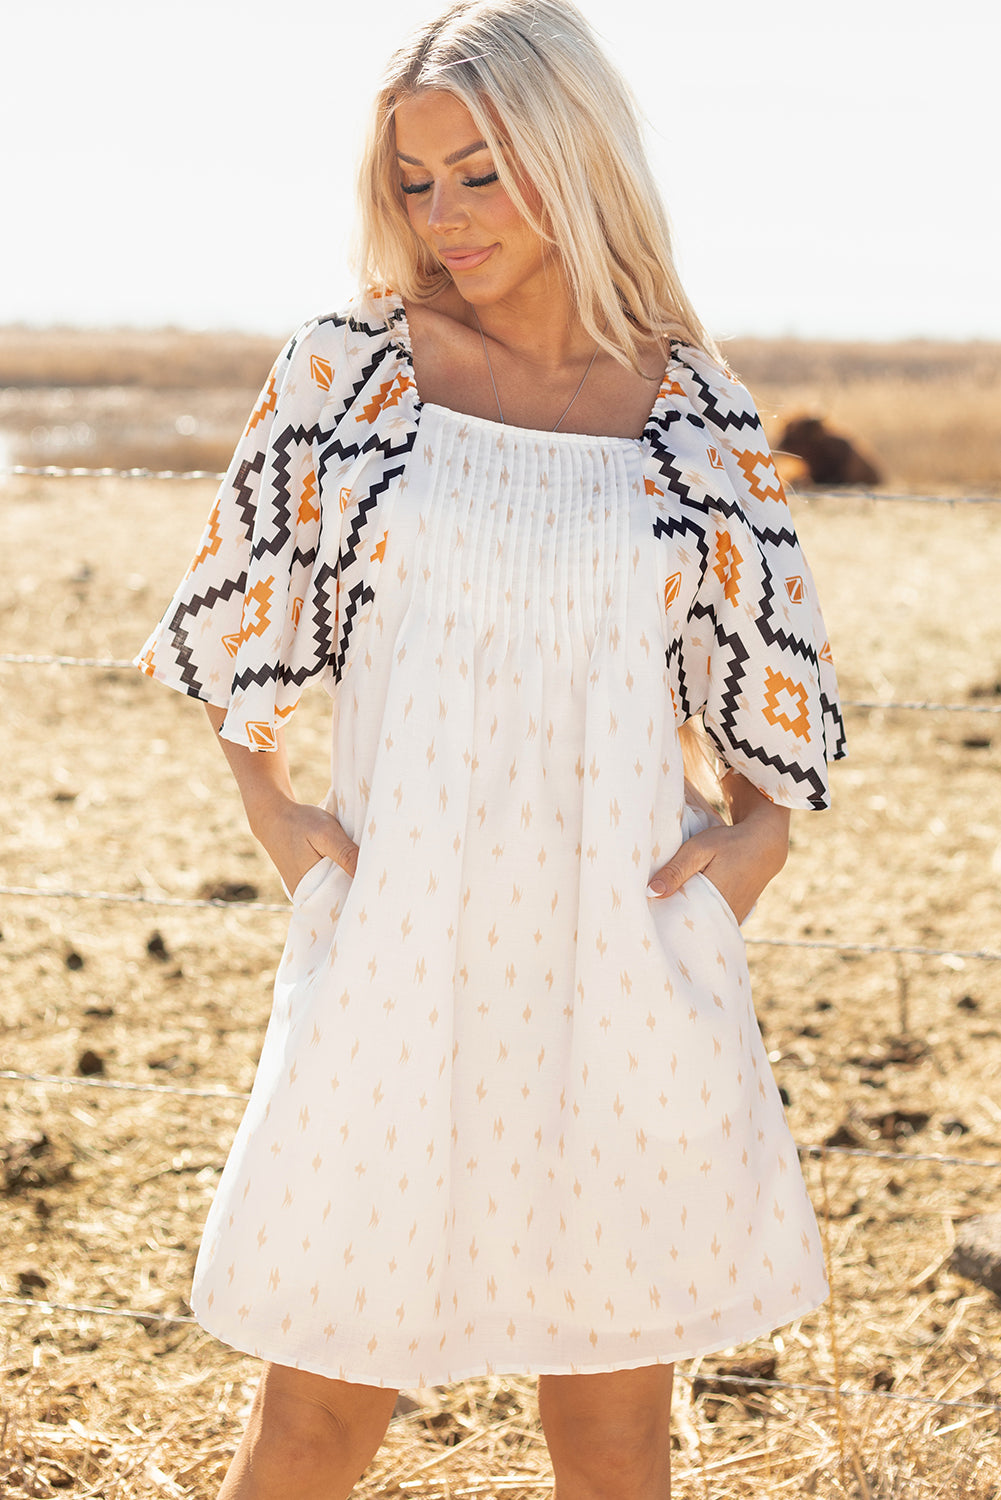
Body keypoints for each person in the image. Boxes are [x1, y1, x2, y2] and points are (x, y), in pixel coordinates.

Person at [137, 1, 846, 1494]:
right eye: (415, 181)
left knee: (612, 1424)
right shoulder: (354, 371)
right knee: (316, 1409)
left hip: (621, 960)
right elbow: (238, 612)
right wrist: (273, 808)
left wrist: (751, 848)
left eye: (481, 173)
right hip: (395, 951)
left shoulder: (692, 410)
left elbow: (768, 677)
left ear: (577, 161)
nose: (444, 216)